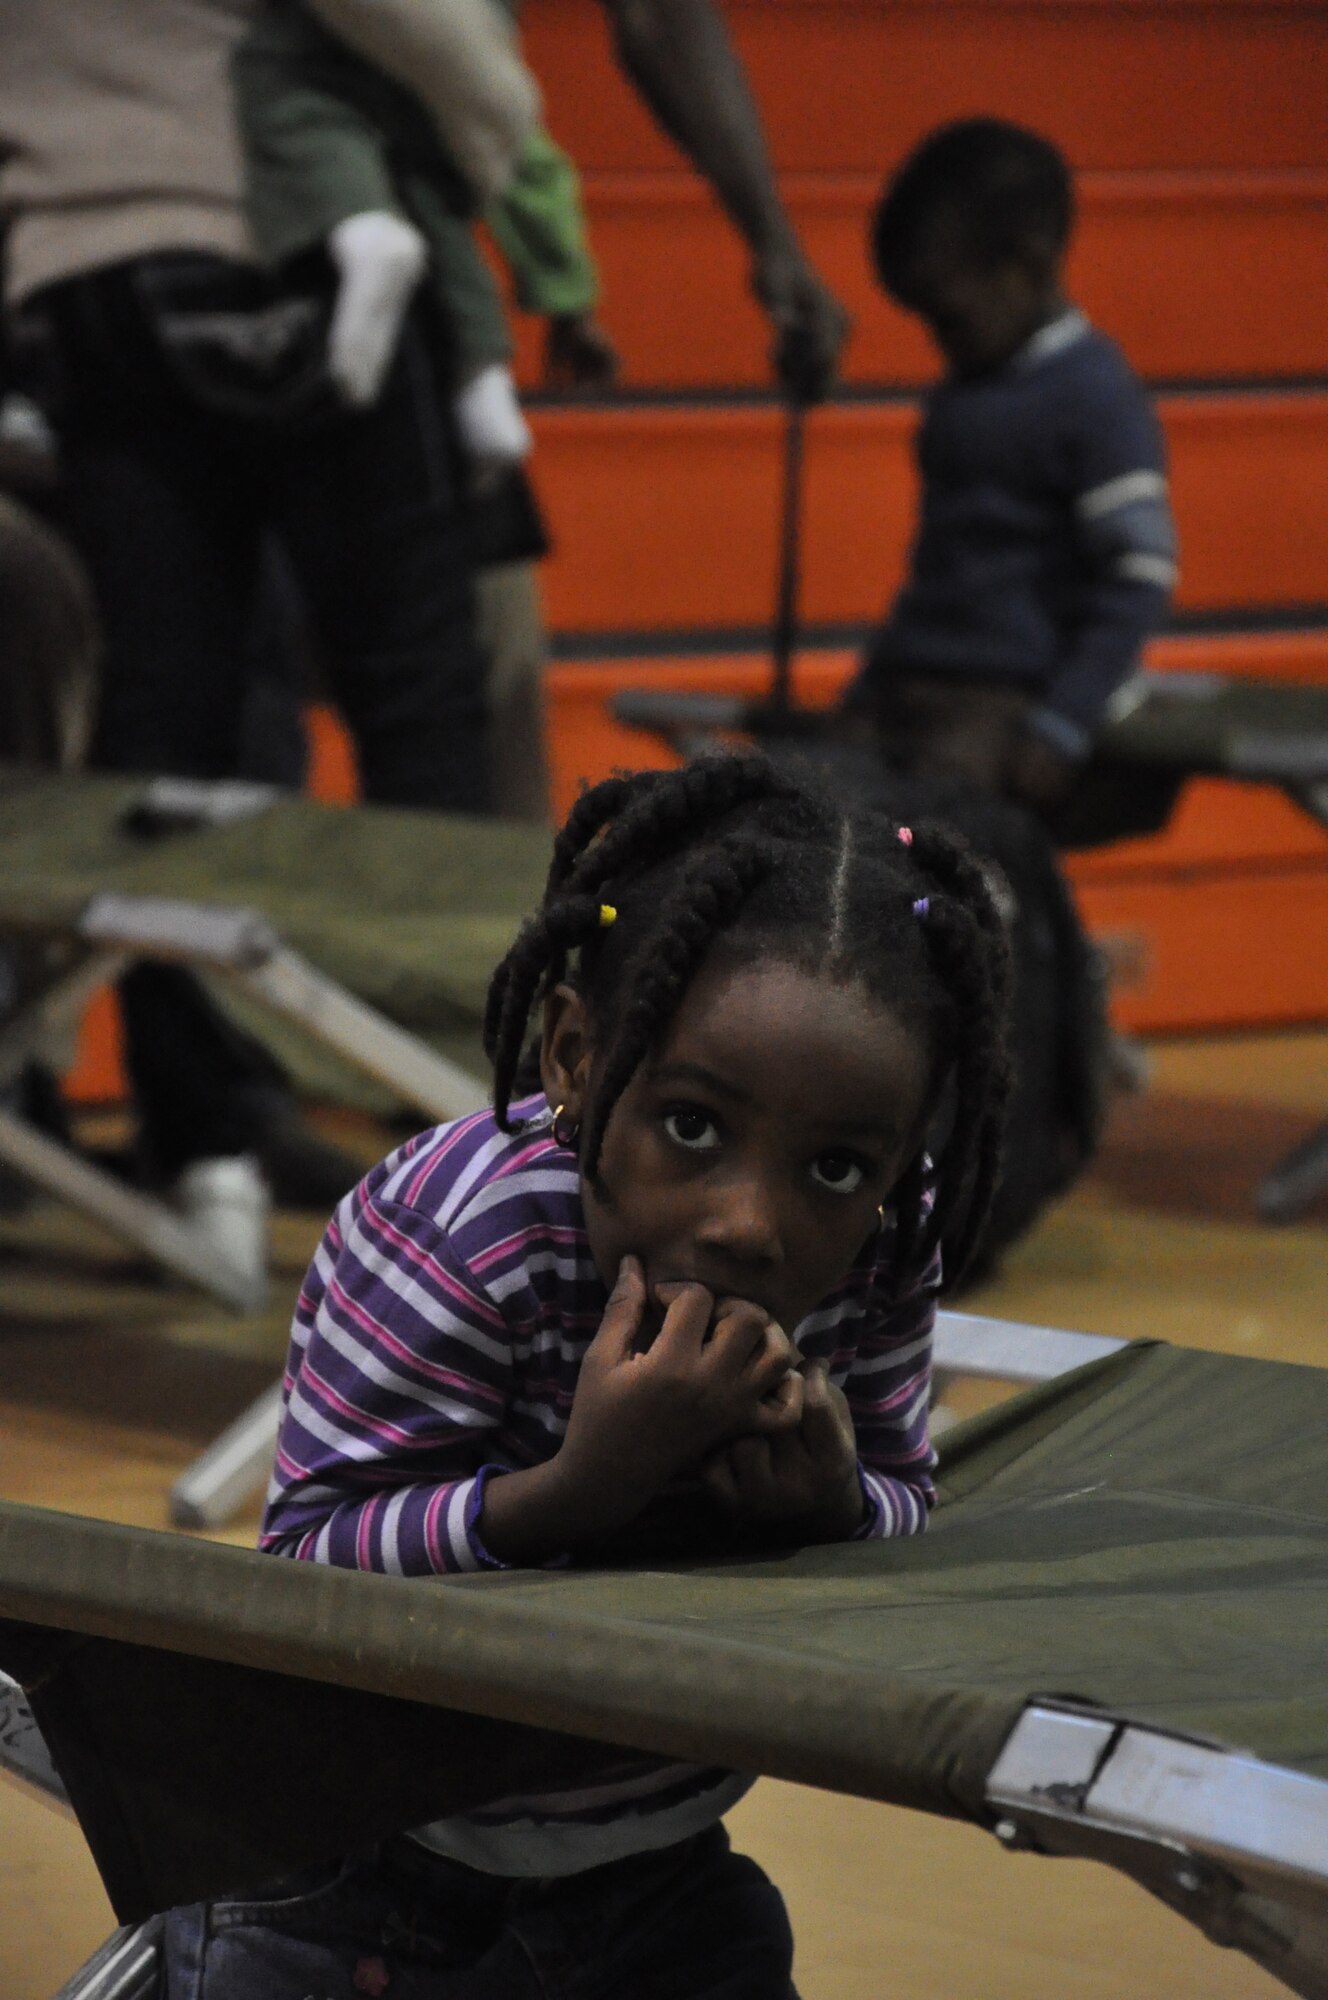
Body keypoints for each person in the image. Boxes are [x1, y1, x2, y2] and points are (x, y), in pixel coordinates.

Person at [163, 752, 1011, 1995]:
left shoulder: (881, 1250)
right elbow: (311, 1569)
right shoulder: (467, 1235)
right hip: (353, 1865)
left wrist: (834, 1507)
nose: (747, 1224)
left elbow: (901, 1495)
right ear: (568, 1055)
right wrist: (576, 1486)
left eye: (833, 1167)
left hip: (652, 1860)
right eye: (691, 1125)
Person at [840, 118, 1178, 820]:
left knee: (923, 842)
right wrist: (868, 686)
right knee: (798, 806)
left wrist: (1064, 719)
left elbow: (1138, 575)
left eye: (949, 318)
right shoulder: (960, 395)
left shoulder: (1094, 396)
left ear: (1026, 265)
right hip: (911, 680)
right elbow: (939, 572)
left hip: (1009, 696)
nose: (938, 342)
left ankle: (1013, 932)